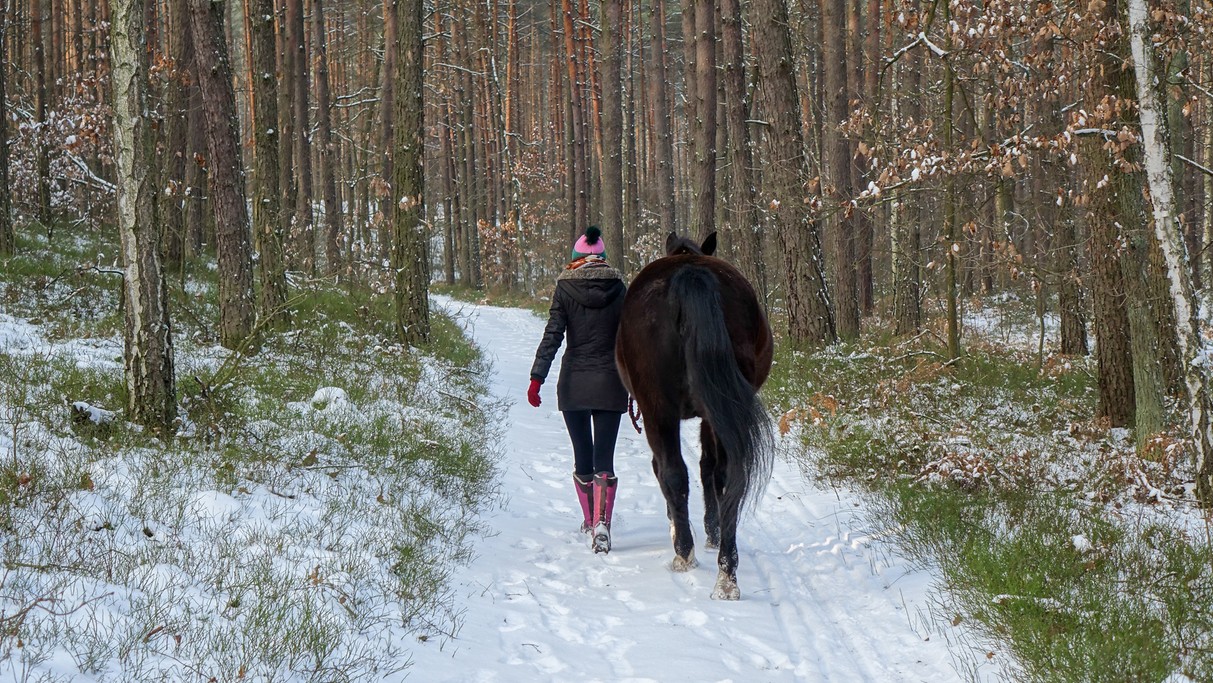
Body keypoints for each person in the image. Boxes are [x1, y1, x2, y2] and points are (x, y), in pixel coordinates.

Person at [528, 225, 628, 553]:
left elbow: (553, 335)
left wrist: (537, 377)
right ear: (602, 258)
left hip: (573, 383)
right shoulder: (619, 288)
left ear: (575, 259)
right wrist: (639, 388)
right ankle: (603, 523)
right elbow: (631, 342)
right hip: (611, 383)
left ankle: (589, 521)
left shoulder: (564, 288)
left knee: (582, 455)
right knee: (605, 458)